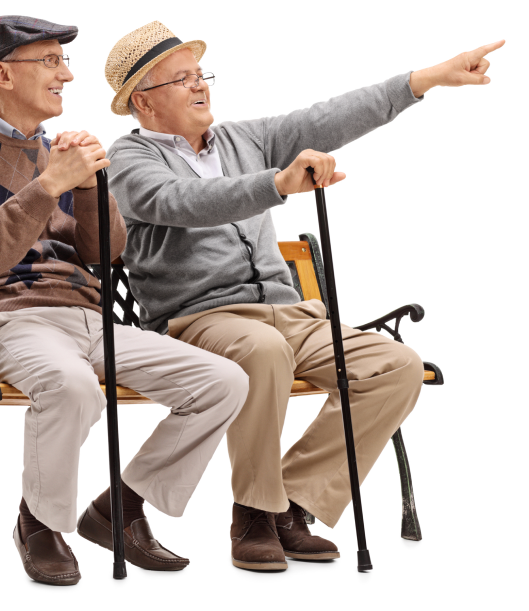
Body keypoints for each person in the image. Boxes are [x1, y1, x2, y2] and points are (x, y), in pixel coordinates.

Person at [104, 21, 503, 571]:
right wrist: (276, 185)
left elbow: (327, 117)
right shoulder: (128, 160)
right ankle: (252, 514)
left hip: (291, 313)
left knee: (396, 366)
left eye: (202, 75)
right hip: (202, 319)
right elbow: (183, 202)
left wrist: (427, 79)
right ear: (142, 102)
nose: (201, 87)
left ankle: (291, 501)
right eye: (182, 79)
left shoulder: (243, 138)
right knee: (262, 351)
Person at [0, 15, 250, 585]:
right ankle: (41, 524)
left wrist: (85, 185)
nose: (67, 76)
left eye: (64, 62)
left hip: (86, 318)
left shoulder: (60, 153)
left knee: (223, 382)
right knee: (71, 387)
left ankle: (119, 511)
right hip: (3, 324)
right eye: (50, 62)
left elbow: (104, 255)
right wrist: (48, 185)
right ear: (2, 73)